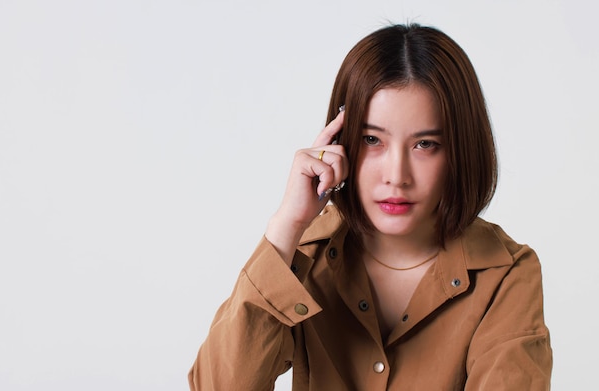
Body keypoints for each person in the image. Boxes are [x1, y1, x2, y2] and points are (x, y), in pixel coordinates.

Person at [188, 23, 552, 390]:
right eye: (372, 139)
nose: (397, 175)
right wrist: (287, 225)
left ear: (460, 150)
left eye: (425, 144)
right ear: (339, 142)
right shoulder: (302, 256)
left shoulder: (505, 273)